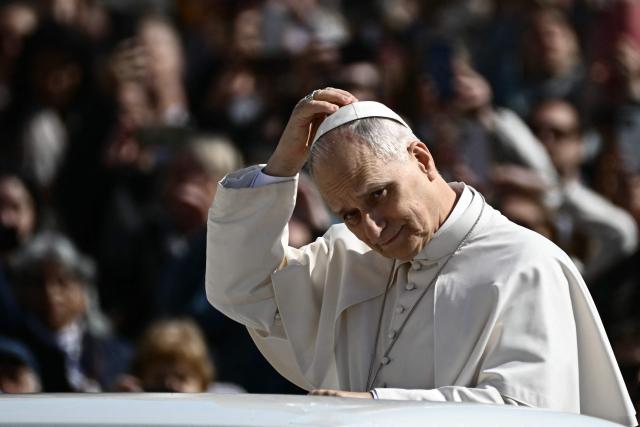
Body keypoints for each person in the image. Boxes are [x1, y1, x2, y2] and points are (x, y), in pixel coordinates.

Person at [205, 88, 636, 426]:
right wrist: (280, 169)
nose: (371, 228)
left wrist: (377, 409)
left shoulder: (526, 264)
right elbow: (240, 291)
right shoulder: (349, 257)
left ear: (422, 158)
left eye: (378, 195)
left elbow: (531, 414)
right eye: (350, 213)